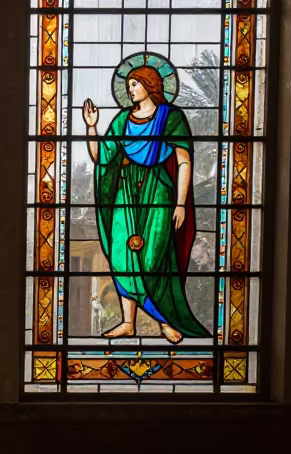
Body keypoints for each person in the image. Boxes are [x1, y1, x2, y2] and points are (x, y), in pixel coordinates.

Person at [83, 61, 209, 344]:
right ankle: (128, 323)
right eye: (128, 86)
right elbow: (102, 156)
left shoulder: (170, 118)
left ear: (150, 84)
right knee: (121, 258)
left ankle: (165, 321)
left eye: (135, 84)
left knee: (153, 259)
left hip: (158, 194)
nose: (131, 90)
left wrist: (180, 203)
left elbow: (184, 161)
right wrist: (91, 128)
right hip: (126, 194)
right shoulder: (122, 121)